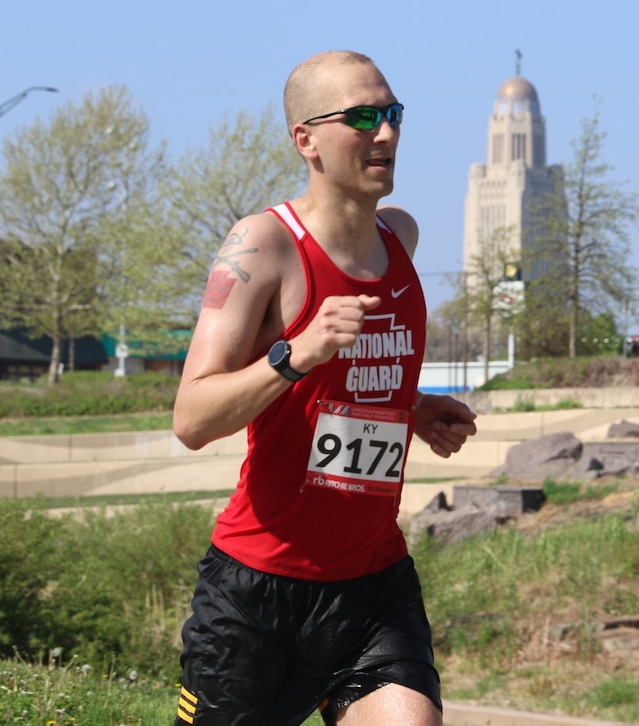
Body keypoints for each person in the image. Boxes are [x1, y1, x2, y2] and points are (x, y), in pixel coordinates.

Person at [171, 50, 477, 726]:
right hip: (256, 592)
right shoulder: (262, 247)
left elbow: (343, 391)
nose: (387, 134)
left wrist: (413, 408)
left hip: (371, 586)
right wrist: (295, 354)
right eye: (362, 118)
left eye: (393, 114)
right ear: (305, 139)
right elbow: (191, 418)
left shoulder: (401, 237)